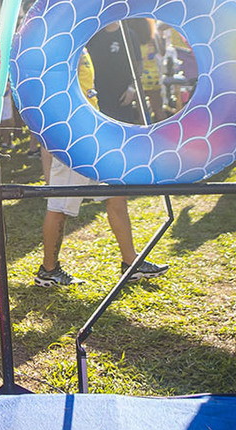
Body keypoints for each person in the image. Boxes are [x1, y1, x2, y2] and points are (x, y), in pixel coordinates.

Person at [35, 19, 168, 288]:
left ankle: (130, 263)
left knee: (116, 194)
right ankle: (48, 270)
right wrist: (48, 151)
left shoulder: (81, 45)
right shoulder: (63, 47)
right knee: (59, 207)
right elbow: (51, 97)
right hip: (73, 138)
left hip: (93, 135)